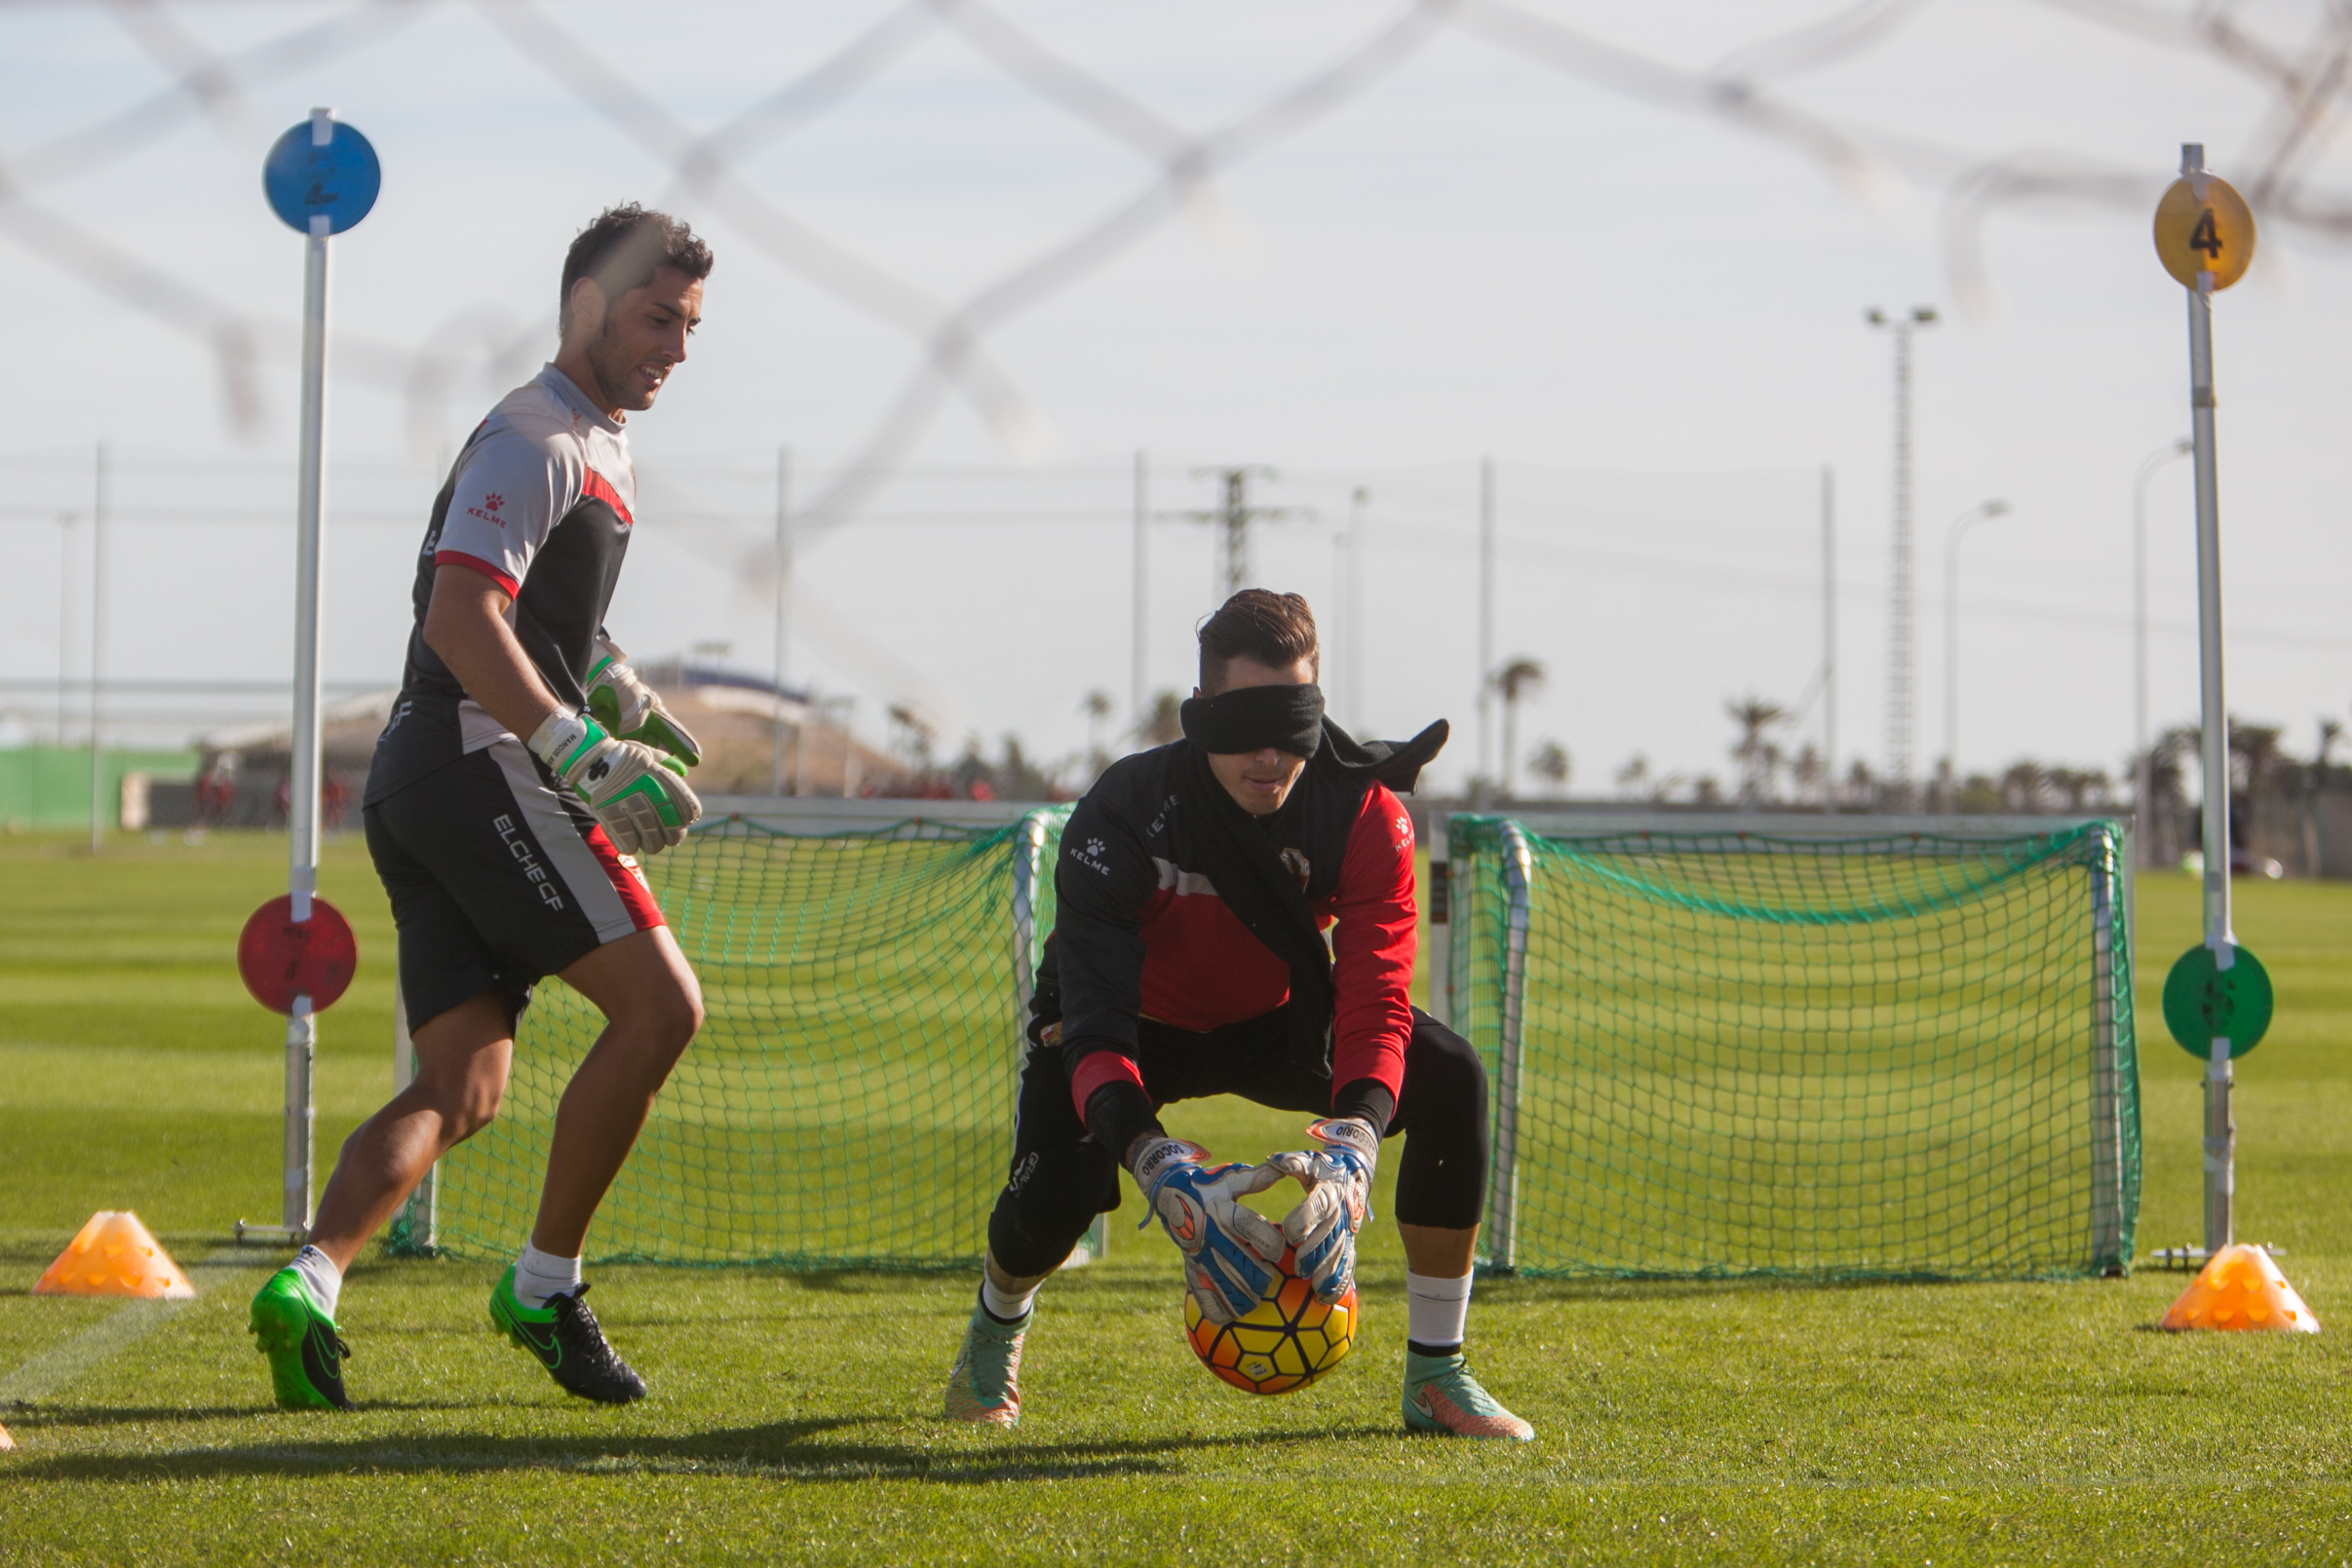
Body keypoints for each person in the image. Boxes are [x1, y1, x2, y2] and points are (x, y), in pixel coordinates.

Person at [249, 205, 713, 1411]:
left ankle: (308, 1280)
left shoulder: (589, 443)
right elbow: (464, 617)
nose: (677, 345)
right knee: (662, 1006)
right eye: (658, 317)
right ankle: (543, 1288)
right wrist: (578, 745)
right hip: (474, 758)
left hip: (417, 779)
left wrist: (619, 689)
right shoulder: (536, 436)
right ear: (587, 307)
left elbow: (557, 619)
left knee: (464, 1087)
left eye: (691, 325)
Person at [943, 589, 1534, 1439]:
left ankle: (1437, 1373)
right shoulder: (1119, 815)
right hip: (1129, 1028)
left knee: (1448, 1076)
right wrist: (1156, 1164)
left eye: (1289, 724)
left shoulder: (1365, 816)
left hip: (1276, 1024)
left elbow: (1374, 1000)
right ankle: (994, 1329)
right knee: (1058, 1192)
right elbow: (1097, 1025)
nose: (1269, 756)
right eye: (1243, 727)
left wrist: (1357, 1144)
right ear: (1198, 718)